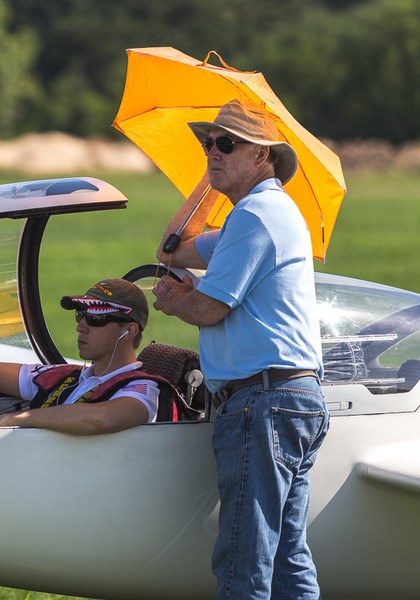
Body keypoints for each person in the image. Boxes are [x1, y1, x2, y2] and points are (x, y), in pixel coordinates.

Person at [151, 99, 329, 599]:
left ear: (263, 157)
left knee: (242, 560)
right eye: (208, 142)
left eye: (227, 143)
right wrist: (210, 179)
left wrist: (176, 301)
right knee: (287, 560)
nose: (213, 150)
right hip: (286, 399)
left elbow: (210, 310)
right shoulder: (244, 219)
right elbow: (171, 247)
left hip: (263, 403)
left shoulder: (256, 215)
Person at [0, 278, 166, 434]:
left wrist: (16, 419)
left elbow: (102, 418)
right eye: (79, 316)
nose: (81, 326)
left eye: (95, 319)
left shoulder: (143, 388)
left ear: (129, 330)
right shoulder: (64, 378)